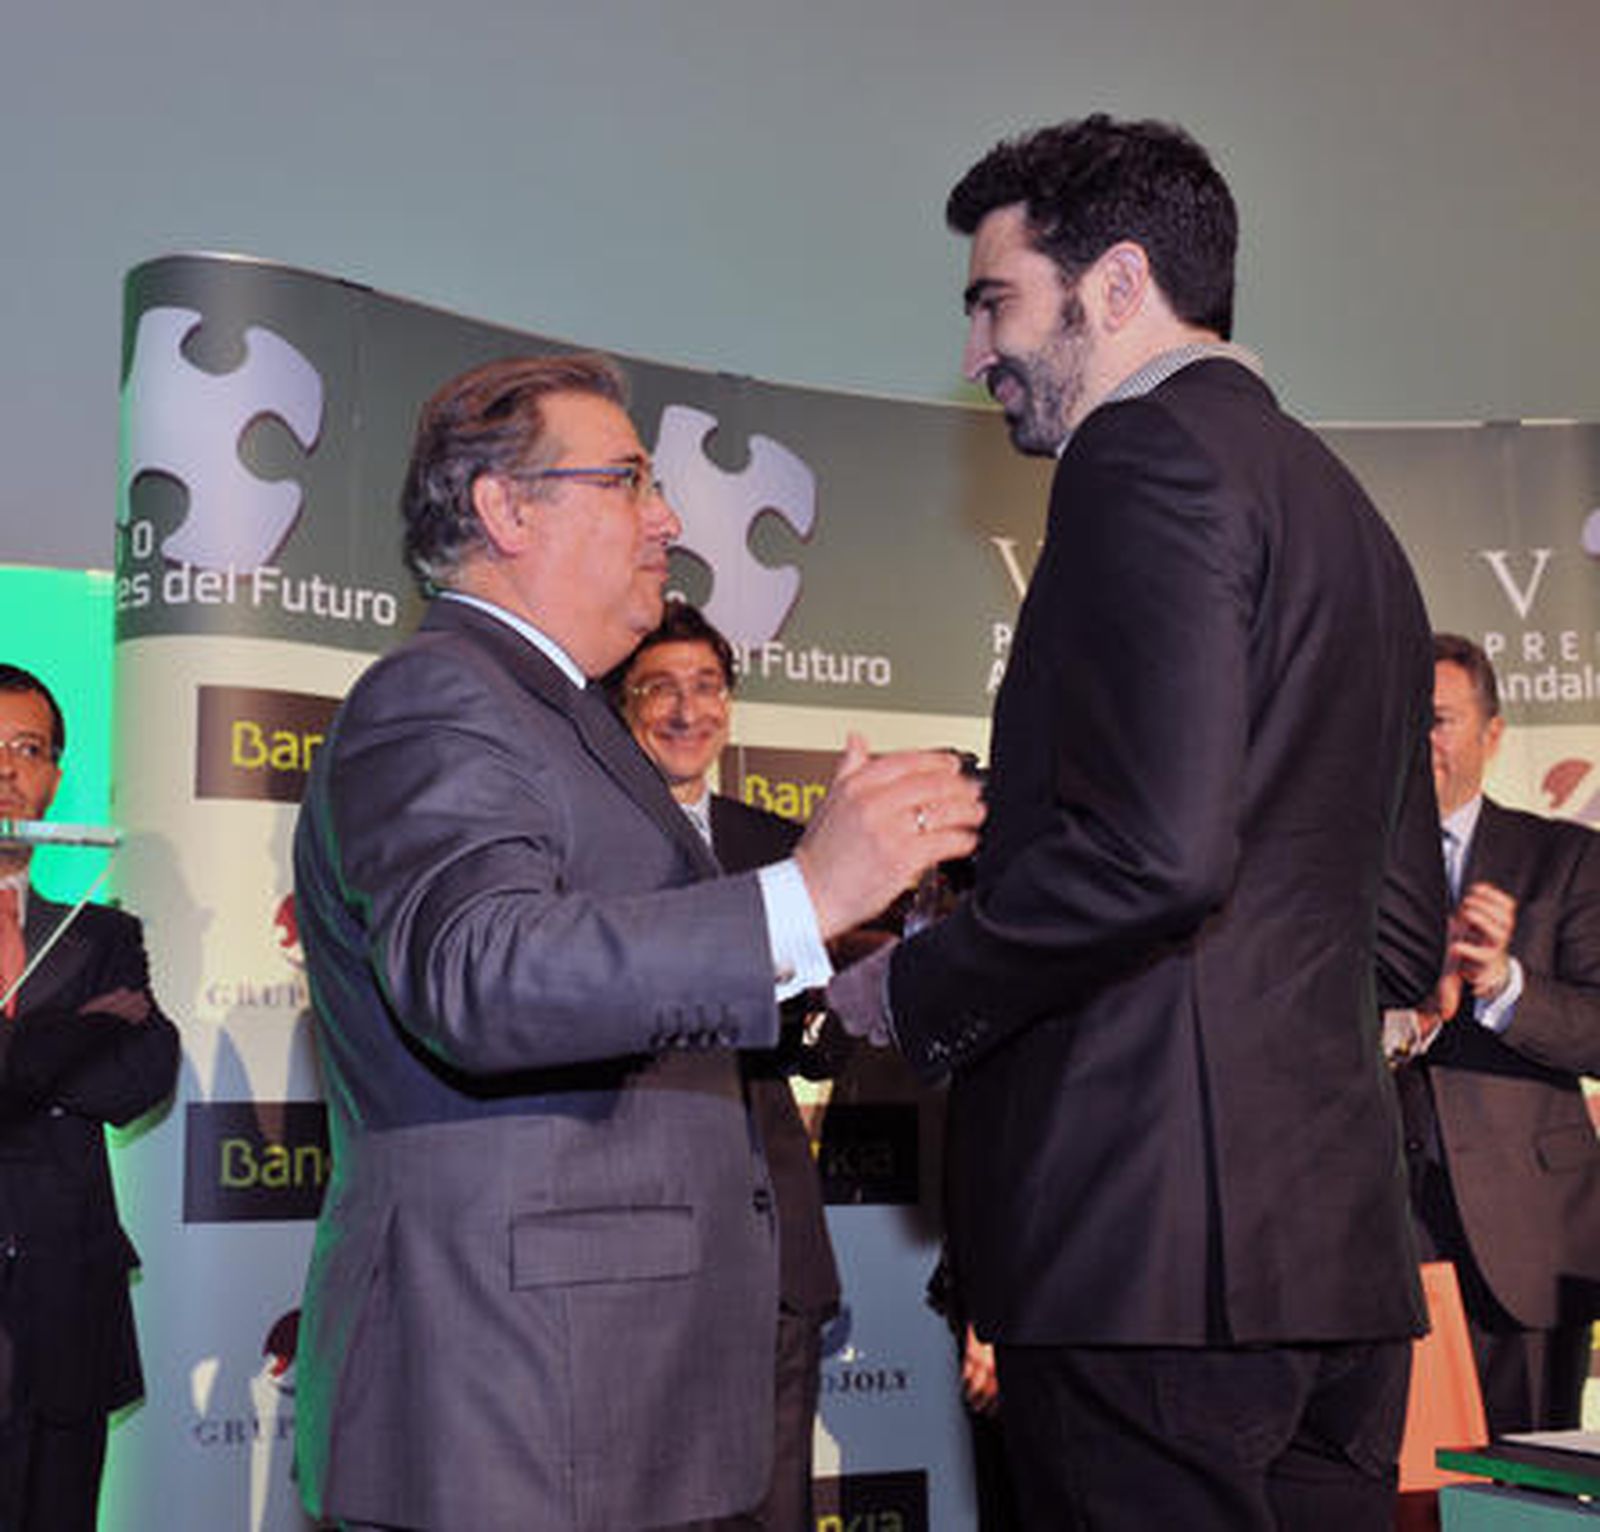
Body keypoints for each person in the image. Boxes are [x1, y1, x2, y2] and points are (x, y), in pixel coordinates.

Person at [830, 116, 1446, 1529]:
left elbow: (1158, 856)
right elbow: (1401, 939)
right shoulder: (1356, 519)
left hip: (1146, 1260)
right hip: (1339, 1270)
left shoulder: (1138, 458)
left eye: (995, 302)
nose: (978, 352)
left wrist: (914, 977)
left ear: (1113, 286)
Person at [291, 353, 983, 1532]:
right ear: (506, 508)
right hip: (516, 1400)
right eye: (626, 480)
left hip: (607, 1393)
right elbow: (481, 972)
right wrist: (797, 894)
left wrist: (858, 942)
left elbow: (625, 958)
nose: (667, 518)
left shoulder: (561, 715)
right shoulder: (439, 695)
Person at [608, 599, 840, 1532]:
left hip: (774, 1220)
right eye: (657, 688)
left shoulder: (779, 850)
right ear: (620, 705)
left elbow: (818, 1025)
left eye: (704, 687)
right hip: (639, 1227)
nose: (683, 710)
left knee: (775, 1502)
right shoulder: (591, 850)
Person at [1392, 633, 1600, 1434]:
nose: (1422, 741)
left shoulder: (1566, 860)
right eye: (1405, 720)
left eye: (1440, 719)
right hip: (1378, 1240)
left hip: (1526, 1241)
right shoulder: (1341, 869)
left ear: (1493, 733)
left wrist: (1504, 984)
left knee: (1523, 1500)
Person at [0, 664, 179, 1532]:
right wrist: (69, 1036)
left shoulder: (103, 936)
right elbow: (73, 1070)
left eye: (27, 750)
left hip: (66, 1304)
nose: (6, 770)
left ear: (54, 776)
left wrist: (24, 1059)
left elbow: (140, 1080)